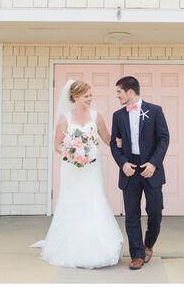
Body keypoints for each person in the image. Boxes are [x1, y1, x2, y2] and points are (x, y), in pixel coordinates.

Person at [32, 80, 123, 269]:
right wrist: (73, 152)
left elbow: (109, 140)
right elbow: (57, 146)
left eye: (91, 95)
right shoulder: (65, 118)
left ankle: (98, 246)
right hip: (72, 169)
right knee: (72, 202)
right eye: (86, 96)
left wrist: (124, 143)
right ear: (75, 97)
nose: (90, 99)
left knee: (94, 200)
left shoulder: (96, 117)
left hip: (92, 169)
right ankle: (71, 247)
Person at [109, 76, 170, 270]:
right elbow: (114, 143)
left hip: (151, 169)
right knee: (132, 215)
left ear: (130, 91)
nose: (117, 96)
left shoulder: (155, 111)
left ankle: (148, 245)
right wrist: (123, 164)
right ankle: (137, 254)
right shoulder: (118, 116)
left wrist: (153, 164)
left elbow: (163, 139)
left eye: (119, 92)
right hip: (129, 170)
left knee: (155, 211)